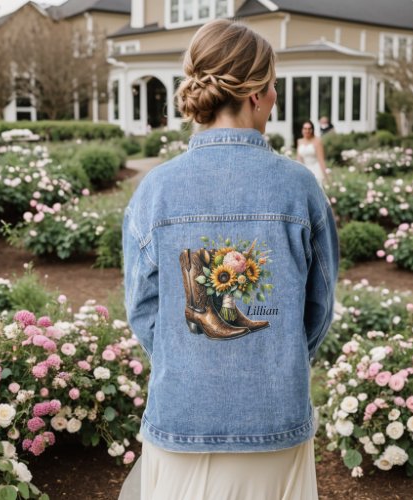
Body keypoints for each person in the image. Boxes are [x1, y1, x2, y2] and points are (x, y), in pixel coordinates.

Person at [121, 19, 338, 500]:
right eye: (275, 85)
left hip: (182, 414)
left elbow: (144, 310)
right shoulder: (299, 187)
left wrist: (189, 356)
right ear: (258, 94)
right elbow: (318, 309)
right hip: (273, 417)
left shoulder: (155, 189)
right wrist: (275, 355)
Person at [296, 120, 329, 185]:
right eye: (305, 128)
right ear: (302, 130)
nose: (307, 131)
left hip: (316, 171)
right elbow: (299, 159)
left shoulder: (317, 141)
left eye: (309, 129)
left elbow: (321, 160)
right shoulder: (299, 141)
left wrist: (326, 177)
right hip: (304, 170)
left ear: (312, 130)